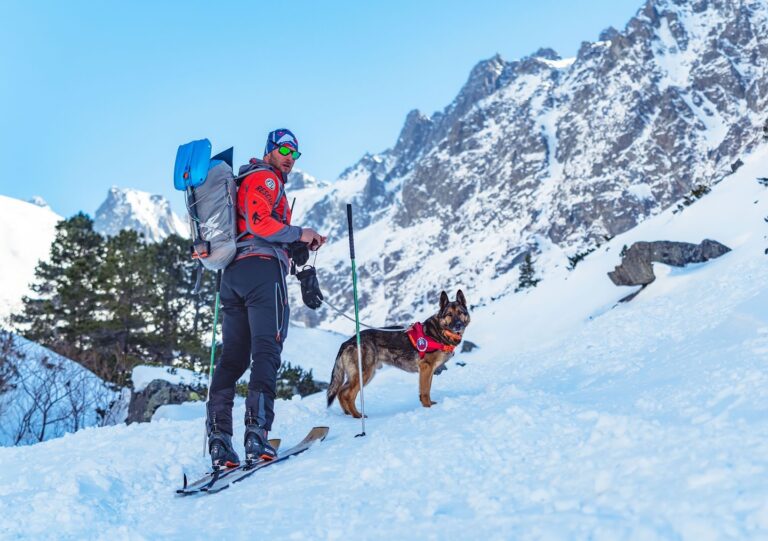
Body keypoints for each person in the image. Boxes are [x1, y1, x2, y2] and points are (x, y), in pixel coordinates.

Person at [206, 128, 326, 468]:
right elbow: (260, 224)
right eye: (284, 149)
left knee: (232, 359)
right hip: (261, 274)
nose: (290, 157)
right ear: (270, 150)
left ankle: (219, 440)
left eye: (295, 153)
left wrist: (293, 247)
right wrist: (299, 233)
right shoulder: (267, 179)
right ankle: (256, 436)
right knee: (266, 352)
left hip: (233, 275)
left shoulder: (244, 181)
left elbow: (252, 226)